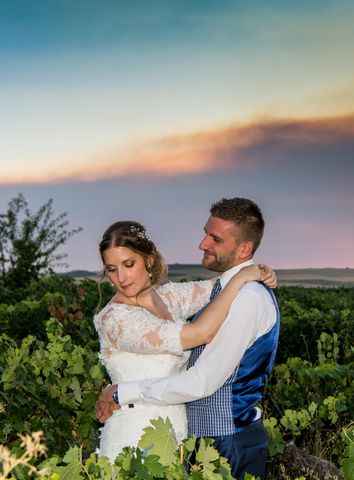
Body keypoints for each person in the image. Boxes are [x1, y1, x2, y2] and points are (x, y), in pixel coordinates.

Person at [96, 198, 279, 479]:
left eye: (129, 264)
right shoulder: (116, 318)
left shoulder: (169, 297)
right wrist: (244, 275)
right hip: (137, 436)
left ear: (149, 260)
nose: (120, 277)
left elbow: (216, 291)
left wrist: (252, 274)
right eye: (111, 269)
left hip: (185, 437)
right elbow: (202, 328)